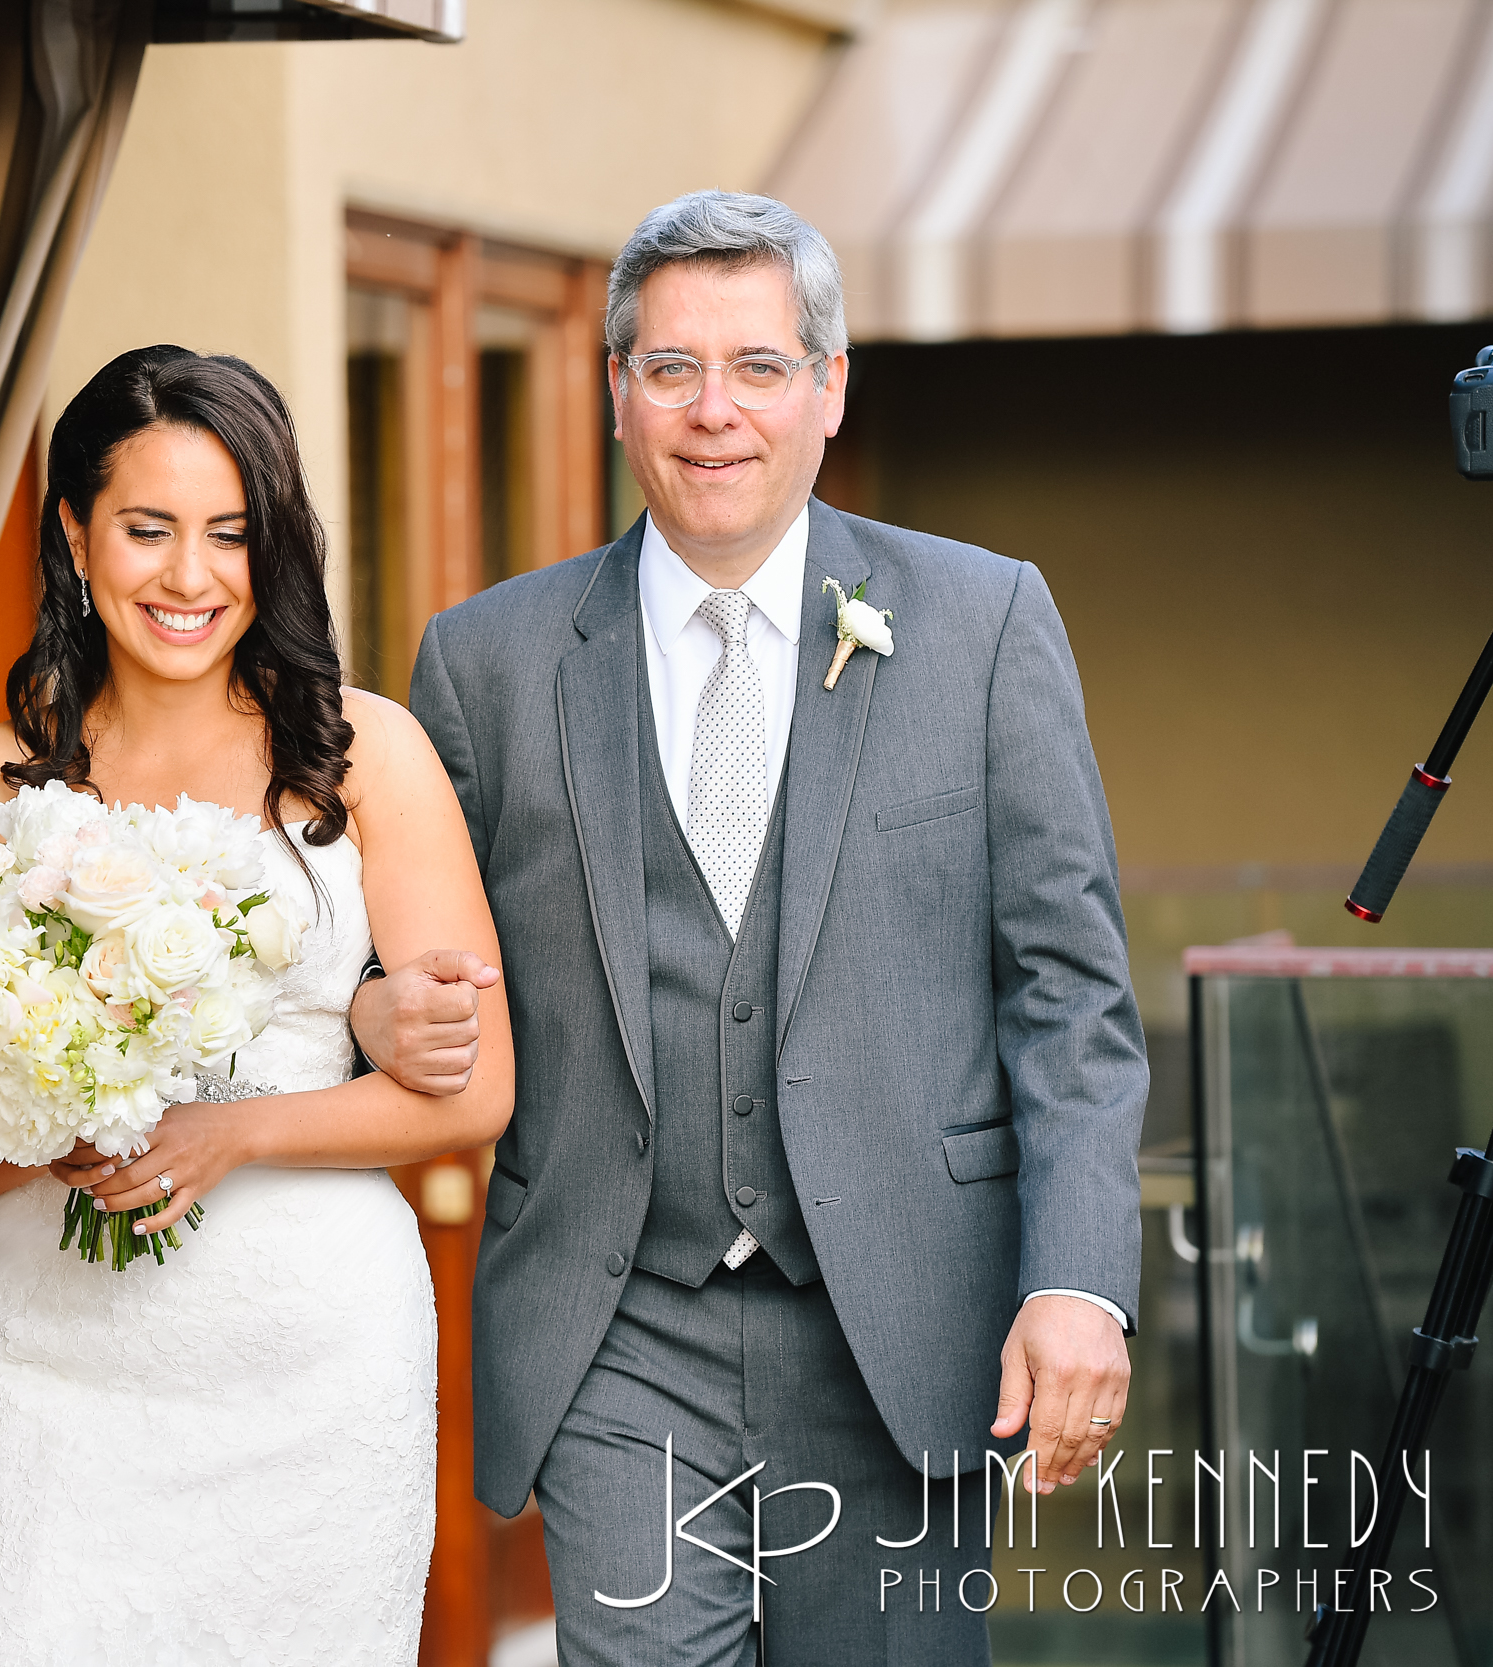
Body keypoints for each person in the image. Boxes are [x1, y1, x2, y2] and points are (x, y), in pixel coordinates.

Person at [360, 190, 1147, 1664]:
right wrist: (367, 1011)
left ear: (831, 390)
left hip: (905, 1326)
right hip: (620, 1332)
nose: (712, 412)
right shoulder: (487, 665)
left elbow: (1070, 996)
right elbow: (390, 953)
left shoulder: (982, 627)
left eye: (759, 367)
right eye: (670, 368)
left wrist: (1078, 1278)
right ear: (615, 394)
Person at [0, 345, 514, 1666]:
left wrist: (232, 1131)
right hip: (52, 1374)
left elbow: (476, 1092)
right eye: (148, 529)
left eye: (229, 534)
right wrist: (43, 1122)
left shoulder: (365, 756)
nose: (189, 576)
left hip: (314, 1361)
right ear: (74, 531)